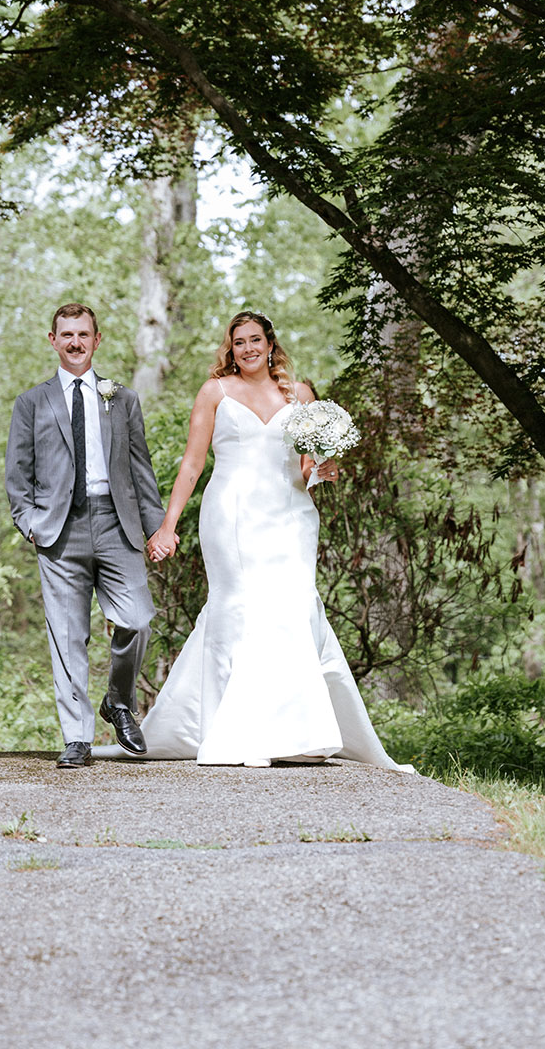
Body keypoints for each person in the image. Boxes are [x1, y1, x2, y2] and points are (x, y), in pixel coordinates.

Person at [134, 310, 414, 772]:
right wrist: (169, 524)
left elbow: (307, 465)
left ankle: (300, 733)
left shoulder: (299, 395)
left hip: (291, 514)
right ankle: (233, 728)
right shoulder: (216, 393)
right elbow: (191, 464)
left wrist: (323, 468)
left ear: (270, 344)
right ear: (230, 347)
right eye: (238, 341)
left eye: (255, 340)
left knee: (294, 607)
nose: (247, 349)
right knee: (238, 606)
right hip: (232, 516)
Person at [5, 302, 176, 768]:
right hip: (59, 531)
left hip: (117, 524)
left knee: (137, 619)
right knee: (68, 635)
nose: (76, 342)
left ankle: (118, 701)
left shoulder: (121, 398)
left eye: (84, 334)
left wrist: (158, 527)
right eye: (67, 335)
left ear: (97, 341)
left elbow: (141, 470)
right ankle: (77, 736)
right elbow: (17, 475)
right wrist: (30, 524)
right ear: (53, 340)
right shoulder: (31, 402)